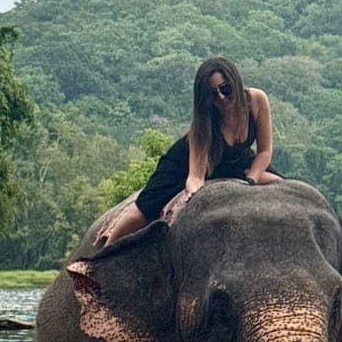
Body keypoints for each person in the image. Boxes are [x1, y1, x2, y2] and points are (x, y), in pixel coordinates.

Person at [97, 57, 278, 247]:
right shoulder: (203, 124)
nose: (222, 98)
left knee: (283, 185)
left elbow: (264, 151)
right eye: (212, 95)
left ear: (236, 82)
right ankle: (100, 260)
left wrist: (250, 181)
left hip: (238, 163)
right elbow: (195, 178)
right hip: (187, 165)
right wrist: (200, 198)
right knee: (139, 213)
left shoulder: (256, 100)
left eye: (225, 89)